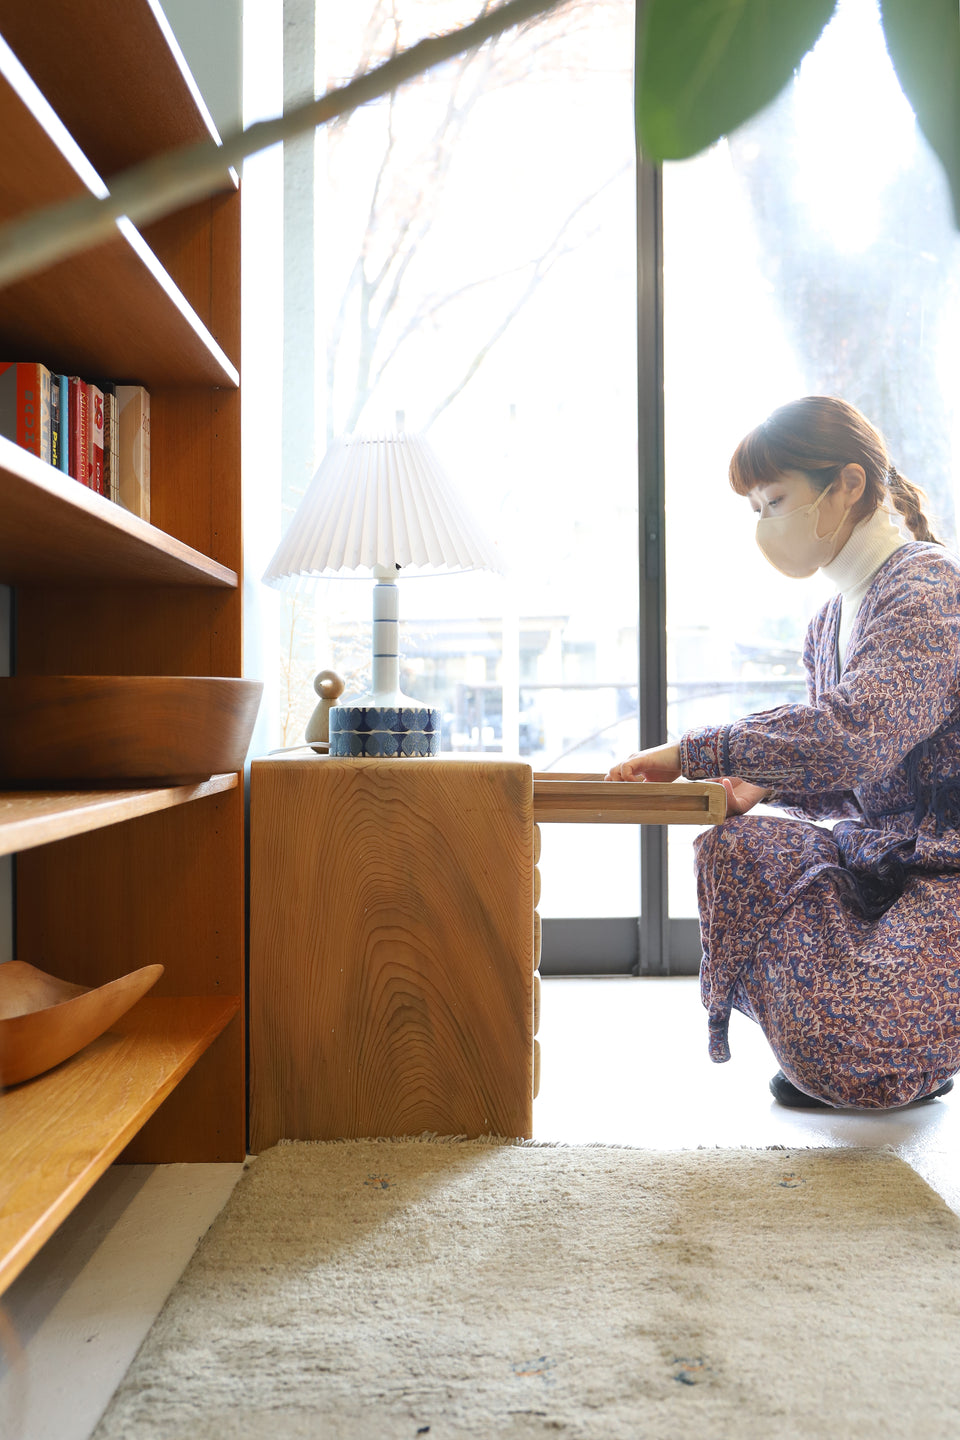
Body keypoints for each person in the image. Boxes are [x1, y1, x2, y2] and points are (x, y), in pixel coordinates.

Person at [607, 395, 960, 1109]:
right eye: (755, 507)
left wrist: (694, 753)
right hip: (878, 858)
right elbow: (857, 783)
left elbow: (854, 734)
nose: (765, 523)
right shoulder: (828, 620)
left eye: (775, 501)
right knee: (736, 851)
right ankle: (844, 1045)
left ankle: (904, 1044)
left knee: (857, 1060)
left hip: (946, 873)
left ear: (848, 486)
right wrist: (762, 788)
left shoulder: (926, 590)